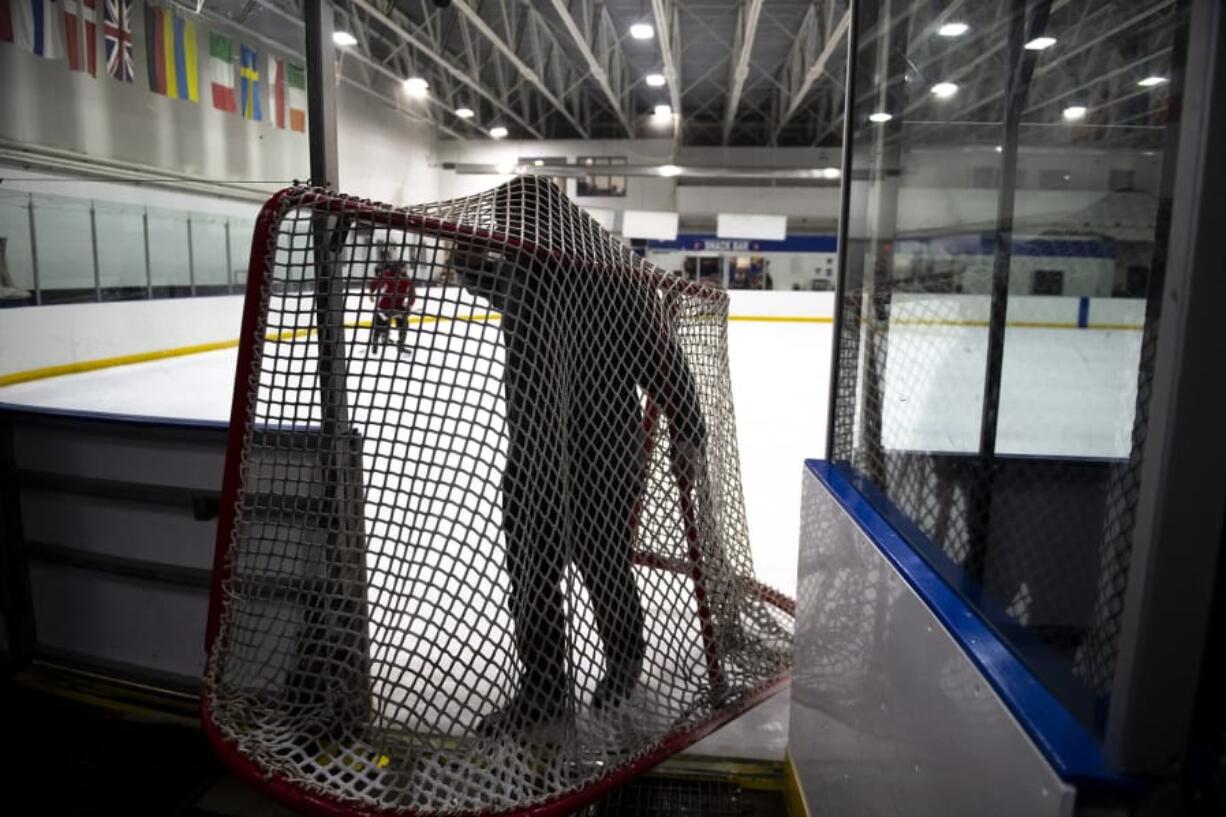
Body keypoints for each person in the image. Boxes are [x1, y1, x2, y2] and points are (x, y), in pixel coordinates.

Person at [450, 176, 707, 735]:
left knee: (604, 566)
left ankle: (622, 667)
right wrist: (471, 266)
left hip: (604, 456)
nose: (506, 234)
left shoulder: (611, 272)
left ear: (546, 218)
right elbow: (505, 291)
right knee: (530, 573)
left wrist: (688, 432)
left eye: (511, 223)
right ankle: (543, 690)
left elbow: (659, 357)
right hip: (534, 456)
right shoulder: (527, 265)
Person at [367, 246, 415, 354]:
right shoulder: (388, 274)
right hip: (385, 306)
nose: (405, 270)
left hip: (397, 307)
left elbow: (412, 294)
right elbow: (375, 282)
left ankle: (400, 345)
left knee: (403, 325)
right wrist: (371, 292)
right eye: (403, 268)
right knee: (379, 325)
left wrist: (409, 305)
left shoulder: (406, 279)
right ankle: (376, 343)